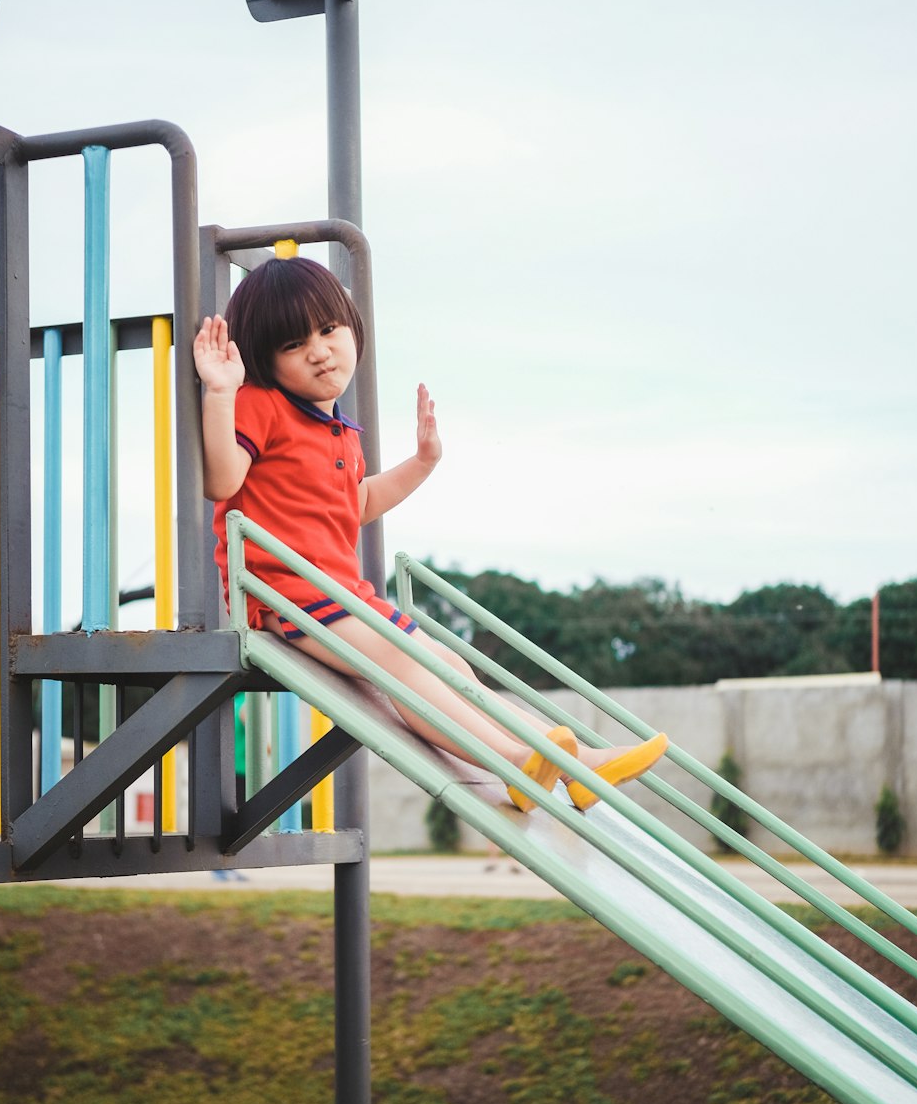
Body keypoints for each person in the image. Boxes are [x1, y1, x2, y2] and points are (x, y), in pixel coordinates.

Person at [193, 257, 667, 813]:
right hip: (286, 600)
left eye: (328, 330)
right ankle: (515, 763)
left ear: (352, 327)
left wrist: (421, 463)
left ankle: (576, 767)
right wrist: (222, 392)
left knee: (450, 666)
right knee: (405, 666)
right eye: (295, 345)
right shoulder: (261, 405)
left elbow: (359, 503)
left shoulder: (337, 431)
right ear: (266, 361)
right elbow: (222, 481)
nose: (320, 350)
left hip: (340, 598)